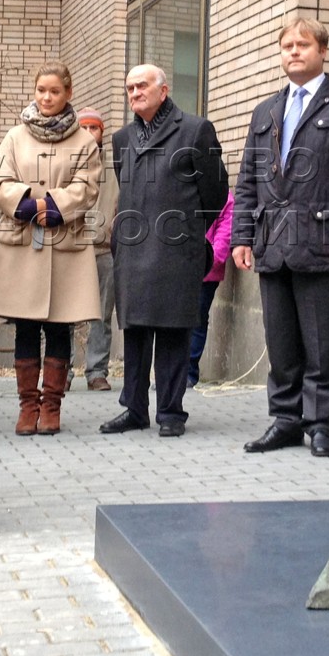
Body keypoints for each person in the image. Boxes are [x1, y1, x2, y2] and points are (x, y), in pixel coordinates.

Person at [232, 17, 329, 458]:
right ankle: (285, 420)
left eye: (302, 44)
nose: (293, 51)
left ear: (322, 51)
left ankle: (320, 424)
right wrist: (242, 236)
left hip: (323, 241)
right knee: (280, 342)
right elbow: (247, 182)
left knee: (322, 343)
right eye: (286, 45)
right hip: (273, 243)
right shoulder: (265, 111)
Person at [0, 62, 102, 436]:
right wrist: (27, 205)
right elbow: (0, 181)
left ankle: (52, 407)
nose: (46, 97)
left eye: (54, 91)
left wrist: (56, 207)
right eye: (41, 90)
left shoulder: (84, 142)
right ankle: (28, 406)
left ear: (68, 93)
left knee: (60, 327)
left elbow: (88, 187)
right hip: (21, 243)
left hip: (65, 245)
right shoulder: (14, 137)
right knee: (25, 328)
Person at [99, 65, 227, 439]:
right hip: (132, 248)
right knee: (135, 330)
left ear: (164, 90)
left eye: (142, 85)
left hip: (177, 249)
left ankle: (171, 411)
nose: (135, 92)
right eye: (129, 87)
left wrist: (186, 229)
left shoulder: (194, 130)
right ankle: (134, 409)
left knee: (173, 331)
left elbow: (216, 194)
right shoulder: (122, 138)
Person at [76, 107, 116, 392]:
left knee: (102, 314)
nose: (90, 133)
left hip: (105, 250)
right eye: (85, 127)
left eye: (95, 128)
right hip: (71, 249)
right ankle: (60, 371)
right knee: (64, 315)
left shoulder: (115, 170)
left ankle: (97, 371)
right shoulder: (62, 163)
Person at [188, 189, 234, 387]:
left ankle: (188, 372)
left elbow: (225, 232)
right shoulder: (185, 188)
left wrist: (211, 259)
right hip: (180, 268)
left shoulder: (224, 197)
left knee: (197, 319)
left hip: (207, 271)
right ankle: (173, 373)